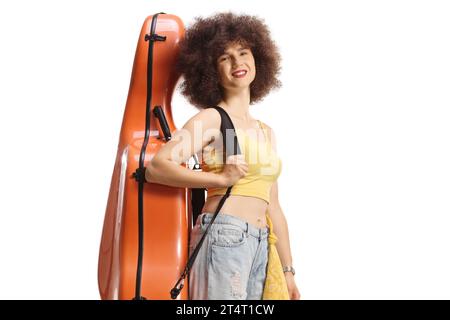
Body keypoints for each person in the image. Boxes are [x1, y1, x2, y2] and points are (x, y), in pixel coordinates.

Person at [145, 11, 300, 300]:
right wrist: (216, 178)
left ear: (258, 59)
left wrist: (289, 271)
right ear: (210, 70)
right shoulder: (212, 119)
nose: (237, 61)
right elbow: (157, 167)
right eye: (224, 57)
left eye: (243, 52)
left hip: (261, 242)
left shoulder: (266, 132)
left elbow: (274, 207)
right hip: (224, 235)